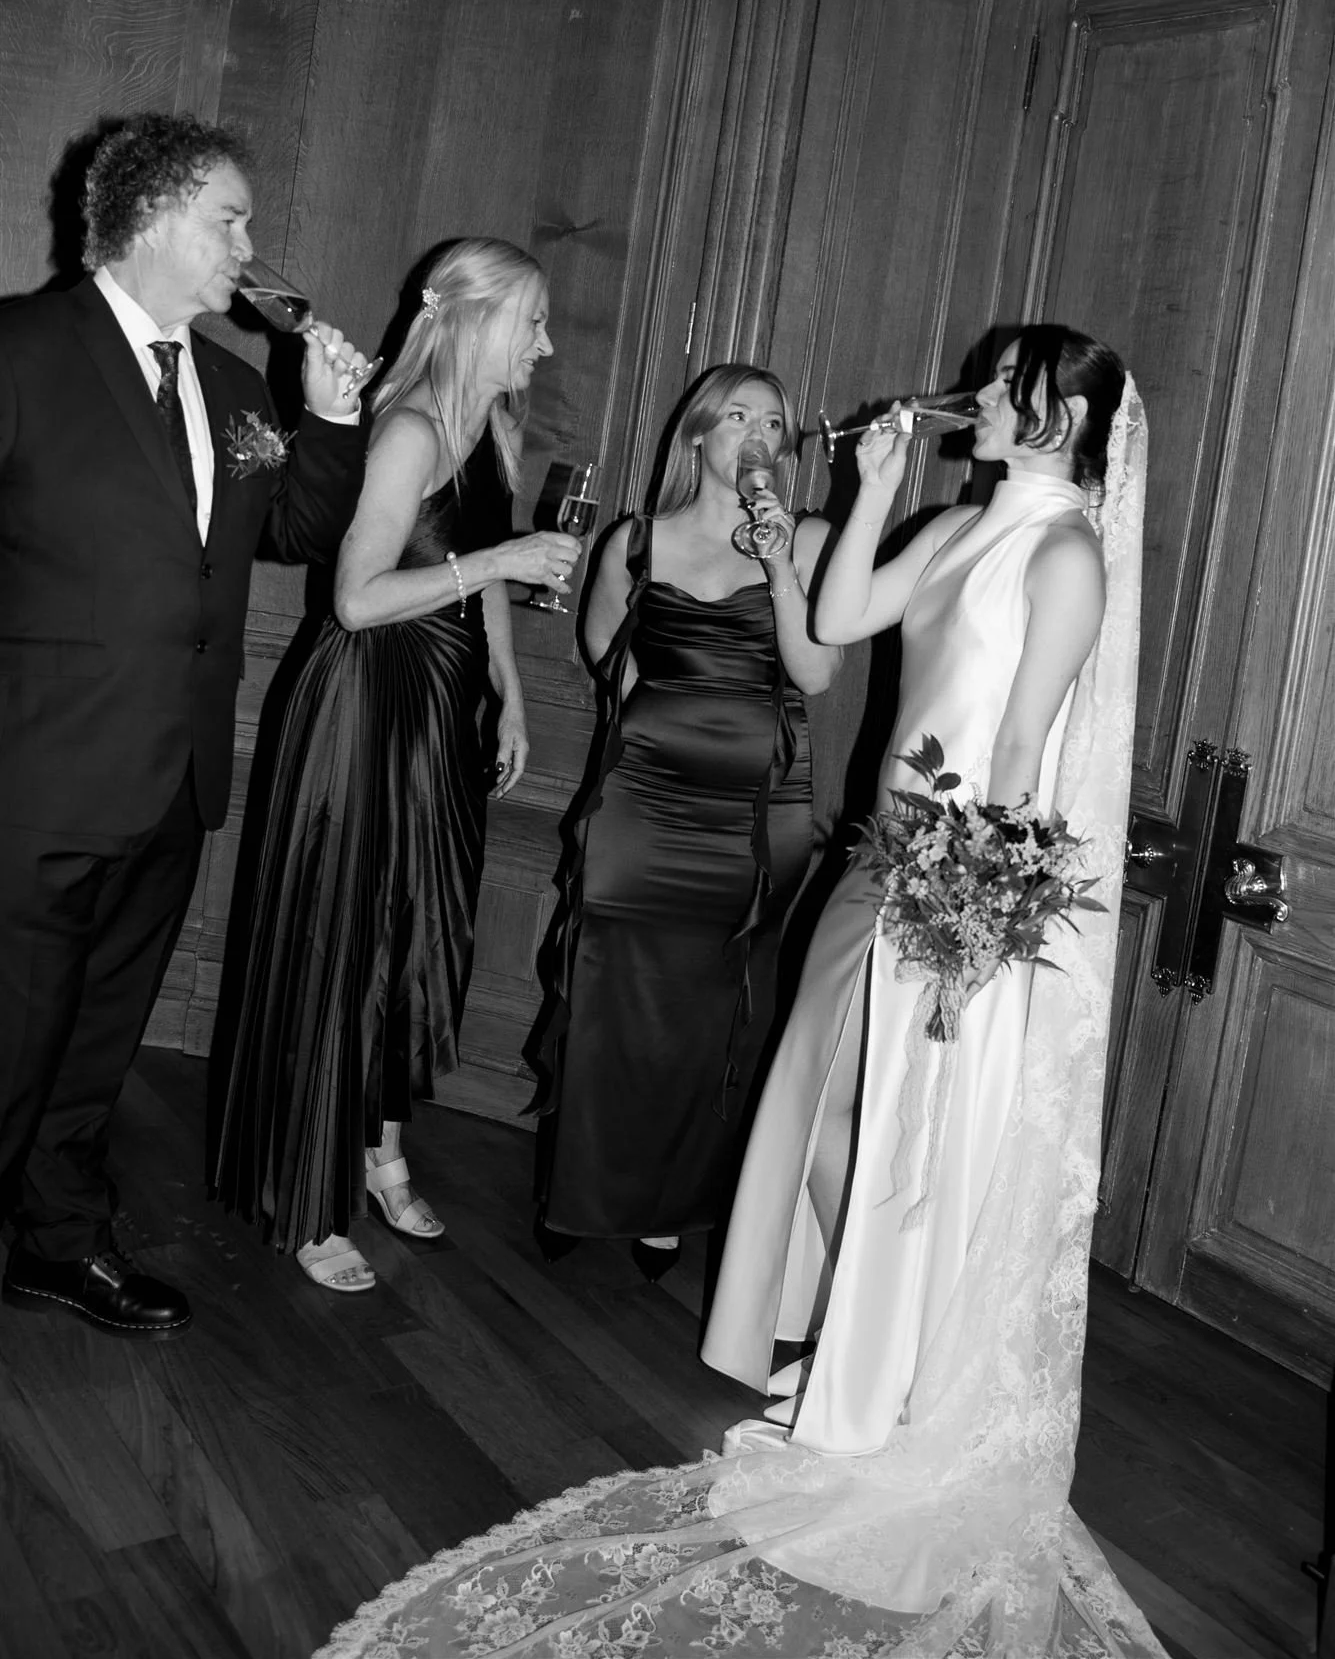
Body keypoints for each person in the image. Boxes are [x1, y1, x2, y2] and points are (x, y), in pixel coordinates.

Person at [314, 327, 1166, 1659]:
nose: (978, 400)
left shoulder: (1060, 551)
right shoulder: (960, 523)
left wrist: (972, 910)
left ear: (1056, 418)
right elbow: (838, 621)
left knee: (889, 1142)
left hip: (950, 882)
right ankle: (856, 1361)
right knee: (827, 1122)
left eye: (1005, 390)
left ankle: (895, 1390)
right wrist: (877, 490)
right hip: (885, 860)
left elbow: (1008, 746)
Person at [0, 112, 373, 1338]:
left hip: (173, 788)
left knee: (97, 1042)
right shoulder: (19, 346)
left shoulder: (225, 384)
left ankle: (58, 1243)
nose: (249, 245)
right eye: (231, 218)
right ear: (155, 218)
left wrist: (322, 418)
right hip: (35, 780)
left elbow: (294, 533)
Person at [213, 239, 580, 1293]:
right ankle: (306, 1191)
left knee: (417, 931)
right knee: (343, 941)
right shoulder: (410, 426)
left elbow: (490, 570)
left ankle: (379, 1150)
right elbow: (356, 598)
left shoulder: (489, 426)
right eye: (535, 322)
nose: (546, 345)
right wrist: (499, 563)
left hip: (441, 714)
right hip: (363, 705)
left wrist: (509, 687)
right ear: (470, 320)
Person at [535, 364, 840, 1278]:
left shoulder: (812, 538)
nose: (755, 433)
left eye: (773, 422)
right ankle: (583, 1192)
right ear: (698, 434)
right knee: (610, 997)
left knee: (716, 1013)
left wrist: (778, 557)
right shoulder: (638, 537)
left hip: (754, 814)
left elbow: (816, 673)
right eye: (735, 415)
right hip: (643, 803)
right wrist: (650, 729)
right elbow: (601, 644)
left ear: (782, 448)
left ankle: (668, 1203)